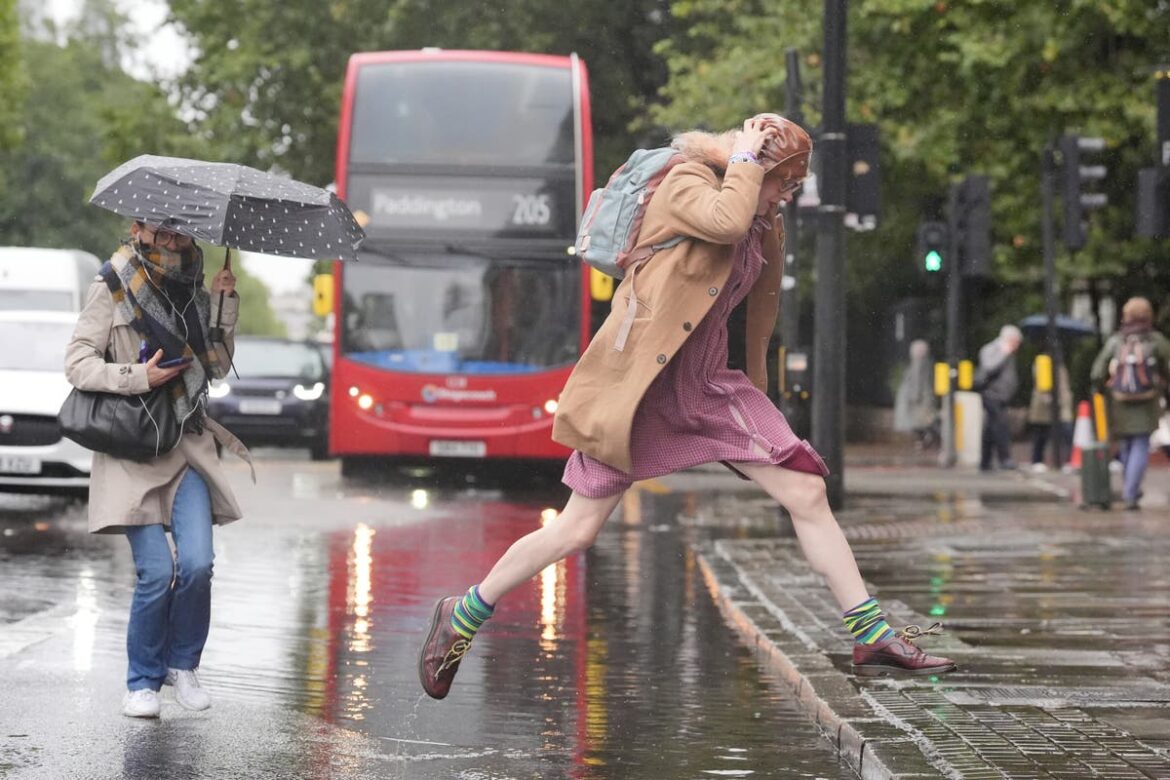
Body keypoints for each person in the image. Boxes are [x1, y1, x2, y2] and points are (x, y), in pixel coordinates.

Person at [417, 115, 955, 700]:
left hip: (707, 385)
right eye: (784, 184)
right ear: (753, 163)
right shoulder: (688, 183)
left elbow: (750, 281)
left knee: (806, 491)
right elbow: (721, 223)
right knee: (577, 530)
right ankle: (463, 614)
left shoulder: (756, 212)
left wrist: (761, 199)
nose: (784, 198)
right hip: (640, 388)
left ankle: (870, 633)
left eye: (792, 189)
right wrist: (748, 165)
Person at [65, 222, 252, 718]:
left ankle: (182, 665)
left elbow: (213, 364)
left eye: (183, 235)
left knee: (196, 564)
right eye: (163, 233)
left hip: (185, 443)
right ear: (139, 230)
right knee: (157, 572)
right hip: (132, 447)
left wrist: (222, 305)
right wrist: (136, 376)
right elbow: (77, 363)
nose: (173, 242)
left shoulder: (194, 286)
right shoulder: (112, 282)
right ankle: (142, 681)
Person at [1091, 297, 1170, 509]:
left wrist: (1104, 389)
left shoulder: (1117, 340)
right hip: (1147, 401)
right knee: (1140, 445)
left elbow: (1097, 371)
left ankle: (1130, 487)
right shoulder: (1156, 340)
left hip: (1119, 401)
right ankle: (1130, 493)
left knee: (1126, 445)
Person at [976, 325, 1022, 471]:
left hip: (1002, 395)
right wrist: (1003, 353)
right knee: (1000, 425)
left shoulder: (1009, 353)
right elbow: (989, 367)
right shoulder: (993, 349)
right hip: (992, 394)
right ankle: (1005, 459)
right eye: (1016, 341)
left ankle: (985, 461)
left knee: (990, 428)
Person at [1026, 357, 1073, 473]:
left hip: (1061, 405)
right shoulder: (1042, 362)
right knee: (1041, 433)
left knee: (1066, 432)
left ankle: (1068, 460)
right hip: (1044, 405)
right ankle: (1037, 460)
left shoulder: (1060, 367)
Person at [893, 339, 939, 449]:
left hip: (920, 399)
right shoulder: (927, 362)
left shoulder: (919, 363)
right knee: (923, 421)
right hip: (924, 397)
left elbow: (918, 381)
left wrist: (915, 396)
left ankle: (924, 440)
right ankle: (925, 440)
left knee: (920, 422)